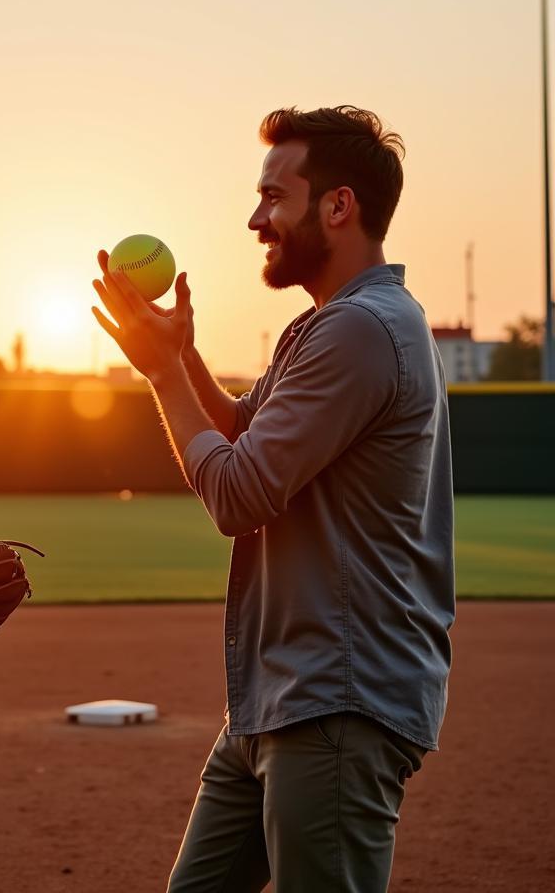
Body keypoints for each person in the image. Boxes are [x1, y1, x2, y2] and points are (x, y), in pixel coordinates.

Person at [92, 106, 455, 893]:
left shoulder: (362, 330)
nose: (256, 219)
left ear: (338, 206)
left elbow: (236, 492)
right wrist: (181, 352)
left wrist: (159, 374)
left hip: (337, 702)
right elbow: (240, 430)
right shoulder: (322, 327)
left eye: (272, 197)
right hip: (285, 697)